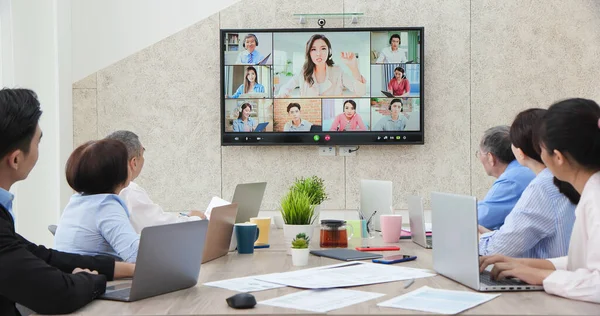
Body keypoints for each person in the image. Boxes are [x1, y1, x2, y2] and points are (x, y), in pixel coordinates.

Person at [0, 88, 134, 316]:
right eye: (38, 143)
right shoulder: (106, 205)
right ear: (15, 159)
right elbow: (57, 293)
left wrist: (117, 269)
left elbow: (42, 256)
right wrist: (92, 280)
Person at [480, 98, 600, 304]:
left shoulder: (594, 199)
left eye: (541, 149)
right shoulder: (590, 190)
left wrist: (543, 276)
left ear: (558, 157)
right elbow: (587, 265)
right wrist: (528, 265)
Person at [478, 109, 577, 258]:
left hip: (541, 278)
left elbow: (498, 249)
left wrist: (478, 239)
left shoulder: (542, 186)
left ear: (520, 152)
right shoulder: (566, 178)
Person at [54, 139, 140, 263]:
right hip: (94, 279)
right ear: (115, 172)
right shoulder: (106, 206)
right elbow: (136, 256)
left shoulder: (78, 201)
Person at [105, 131, 205, 234]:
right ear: (134, 162)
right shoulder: (128, 190)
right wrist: (195, 219)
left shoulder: (96, 189)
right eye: (142, 154)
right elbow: (158, 227)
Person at [476, 126, 535, 230]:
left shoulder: (512, 180)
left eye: (479, 153)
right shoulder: (523, 168)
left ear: (490, 157)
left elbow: (480, 217)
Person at [276, 34, 366, 97]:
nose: (318, 53)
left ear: (328, 51)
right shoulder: (303, 72)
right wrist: (283, 93)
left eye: (323, 48)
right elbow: (285, 88)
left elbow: (360, 92)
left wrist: (354, 67)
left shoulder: (337, 71)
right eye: (313, 49)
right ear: (309, 53)